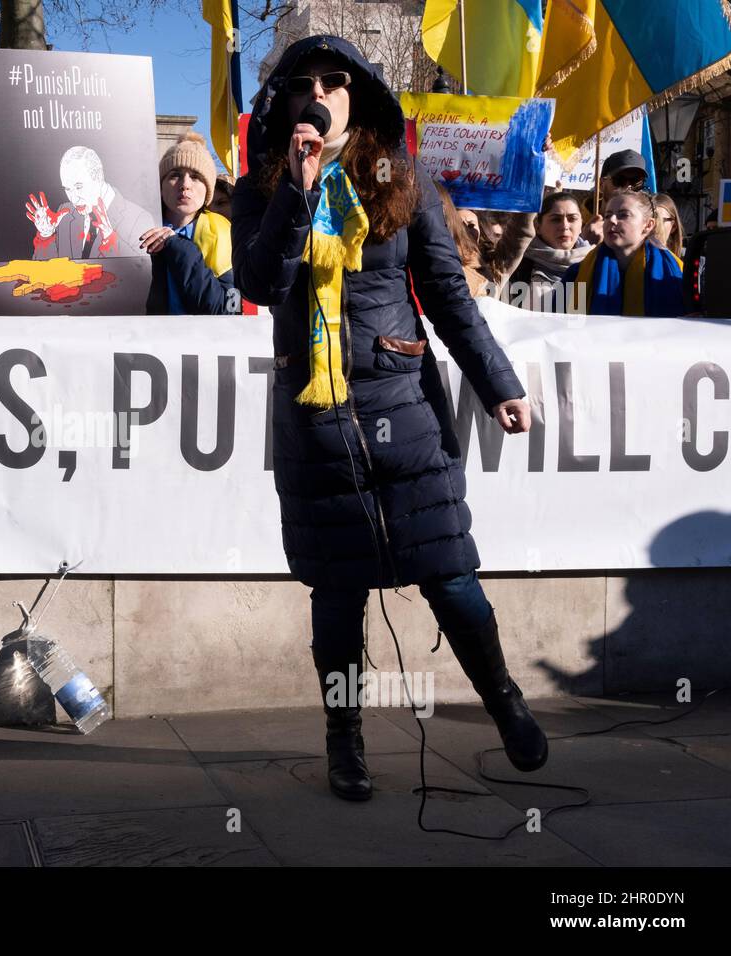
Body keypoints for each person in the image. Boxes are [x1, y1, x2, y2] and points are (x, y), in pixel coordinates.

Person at [233, 34, 547, 801]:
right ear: (285, 101)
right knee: (337, 595)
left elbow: (447, 295)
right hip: (317, 424)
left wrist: (497, 381)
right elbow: (262, 282)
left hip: (402, 409)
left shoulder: (398, 179)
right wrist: (297, 194)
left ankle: (502, 697)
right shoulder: (261, 187)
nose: (319, 92)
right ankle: (345, 740)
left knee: (450, 574)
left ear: (359, 95)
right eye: (303, 81)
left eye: (335, 80)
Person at [140, 132, 235, 314]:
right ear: (160, 186)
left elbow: (230, 309)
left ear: (208, 189)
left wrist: (176, 245)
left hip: (202, 341)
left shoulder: (223, 232)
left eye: (196, 176)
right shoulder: (138, 226)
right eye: (175, 175)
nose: (185, 184)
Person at [563, 190, 684, 317]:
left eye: (623, 215)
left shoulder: (676, 274)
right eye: (608, 215)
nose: (612, 220)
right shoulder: (576, 273)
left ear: (648, 225)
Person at [26, 146, 156, 259]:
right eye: (67, 189)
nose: (73, 198)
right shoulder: (65, 213)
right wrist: (46, 237)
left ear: (98, 177)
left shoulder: (139, 219)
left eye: (78, 187)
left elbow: (142, 277)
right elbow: (49, 275)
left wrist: (111, 242)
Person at [510, 191, 592, 311]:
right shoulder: (517, 265)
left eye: (572, 219)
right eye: (556, 219)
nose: (565, 226)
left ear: (582, 224)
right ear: (538, 226)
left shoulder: (594, 263)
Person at [583, 148, 647, 244]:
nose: (627, 188)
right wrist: (585, 244)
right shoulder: (574, 222)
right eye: (619, 180)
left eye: (636, 182)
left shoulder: (645, 229)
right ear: (601, 184)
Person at [435, 184, 489, 297]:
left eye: (471, 225)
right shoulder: (445, 265)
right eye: (460, 225)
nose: (466, 230)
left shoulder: (492, 266)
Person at [651, 193, 684, 258]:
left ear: (673, 226)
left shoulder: (686, 261)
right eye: (646, 220)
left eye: (659, 220)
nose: (651, 225)